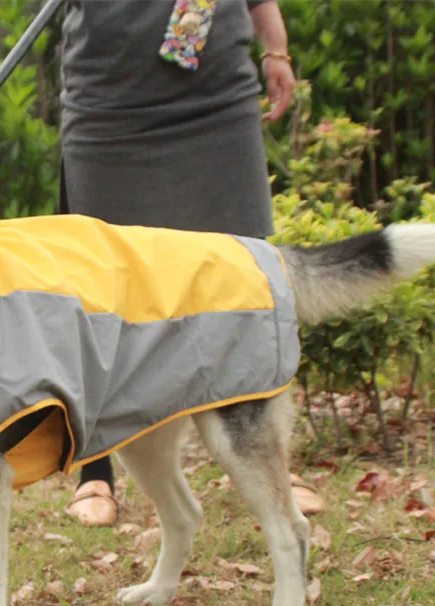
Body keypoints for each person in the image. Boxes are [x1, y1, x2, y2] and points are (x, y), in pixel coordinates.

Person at [59, 0, 296, 526]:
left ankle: (276, 461)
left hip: (214, 100)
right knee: (101, 290)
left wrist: (275, 49)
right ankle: (95, 471)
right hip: (109, 105)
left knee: (245, 279)